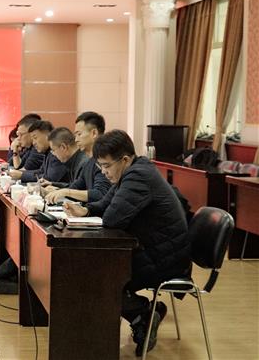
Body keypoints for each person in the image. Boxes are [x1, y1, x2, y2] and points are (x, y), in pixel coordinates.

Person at [64, 130, 190, 356]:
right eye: (100, 166)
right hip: (156, 250)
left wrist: (95, 212)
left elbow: (112, 219)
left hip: (164, 259)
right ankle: (142, 314)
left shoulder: (138, 176)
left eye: (106, 166)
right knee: (90, 271)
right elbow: (106, 204)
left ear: (124, 159)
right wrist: (86, 210)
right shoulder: (133, 170)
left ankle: (142, 315)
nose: (103, 172)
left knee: (95, 276)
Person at [45, 111, 111, 203]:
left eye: (79, 134)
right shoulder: (89, 162)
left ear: (94, 133)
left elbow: (100, 194)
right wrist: (57, 190)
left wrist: (66, 192)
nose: (76, 140)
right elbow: (76, 187)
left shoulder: (105, 160)